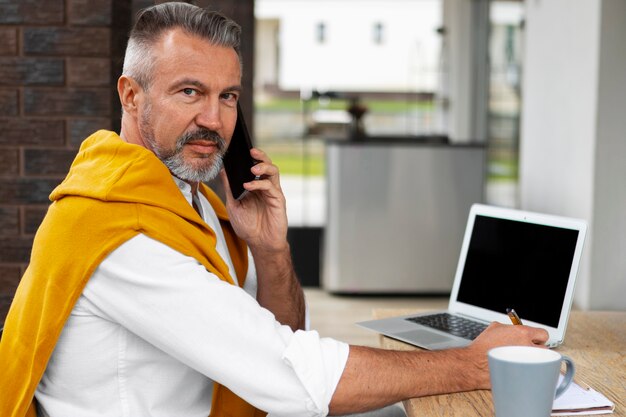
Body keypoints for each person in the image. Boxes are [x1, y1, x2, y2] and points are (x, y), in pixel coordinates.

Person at [0, 3, 549, 417]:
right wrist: (472, 363)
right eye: (189, 92)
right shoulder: (119, 230)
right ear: (131, 96)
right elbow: (293, 374)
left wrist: (271, 249)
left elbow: (277, 334)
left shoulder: (187, 198)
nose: (214, 120)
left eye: (228, 96)